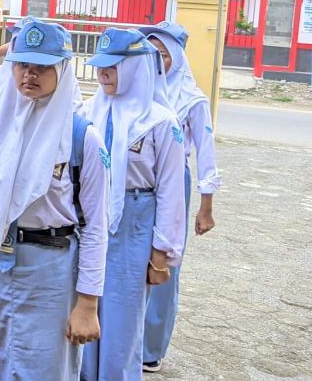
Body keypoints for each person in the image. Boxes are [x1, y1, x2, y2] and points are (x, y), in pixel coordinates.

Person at [0, 21, 108, 380]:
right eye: (23, 64)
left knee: (45, 366)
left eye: (42, 66)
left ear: (63, 69)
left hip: (50, 271)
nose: (30, 74)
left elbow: (95, 226)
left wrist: (87, 303)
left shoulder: (81, 138)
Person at [80, 28, 185, 381]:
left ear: (136, 67)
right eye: (100, 66)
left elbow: (171, 192)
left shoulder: (160, 122)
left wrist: (161, 254)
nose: (103, 74)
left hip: (134, 224)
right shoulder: (88, 112)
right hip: (89, 221)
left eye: (113, 66)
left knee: (123, 320)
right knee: (84, 308)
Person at [138, 22, 220, 373]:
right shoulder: (137, 90)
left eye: (164, 54)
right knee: (132, 258)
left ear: (178, 57)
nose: (157, 60)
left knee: (165, 258)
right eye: (151, 53)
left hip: (175, 181)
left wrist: (206, 207)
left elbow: (206, 151)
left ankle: (151, 347)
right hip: (140, 183)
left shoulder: (192, 99)